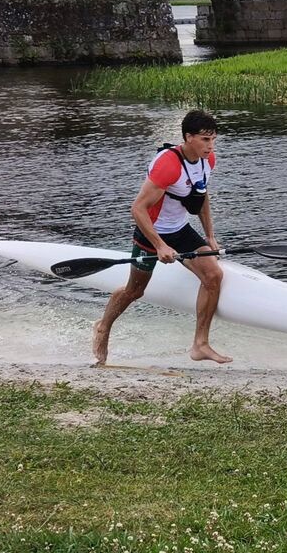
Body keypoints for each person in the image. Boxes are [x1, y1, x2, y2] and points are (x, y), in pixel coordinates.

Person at [92, 109, 231, 366]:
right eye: (205, 139)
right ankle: (103, 327)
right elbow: (138, 209)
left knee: (213, 275)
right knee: (135, 290)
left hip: (180, 229)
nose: (211, 146)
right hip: (151, 232)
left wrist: (210, 236)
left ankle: (200, 344)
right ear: (188, 137)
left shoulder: (207, 160)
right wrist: (159, 245)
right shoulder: (168, 165)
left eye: (213, 139)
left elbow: (201, 197)